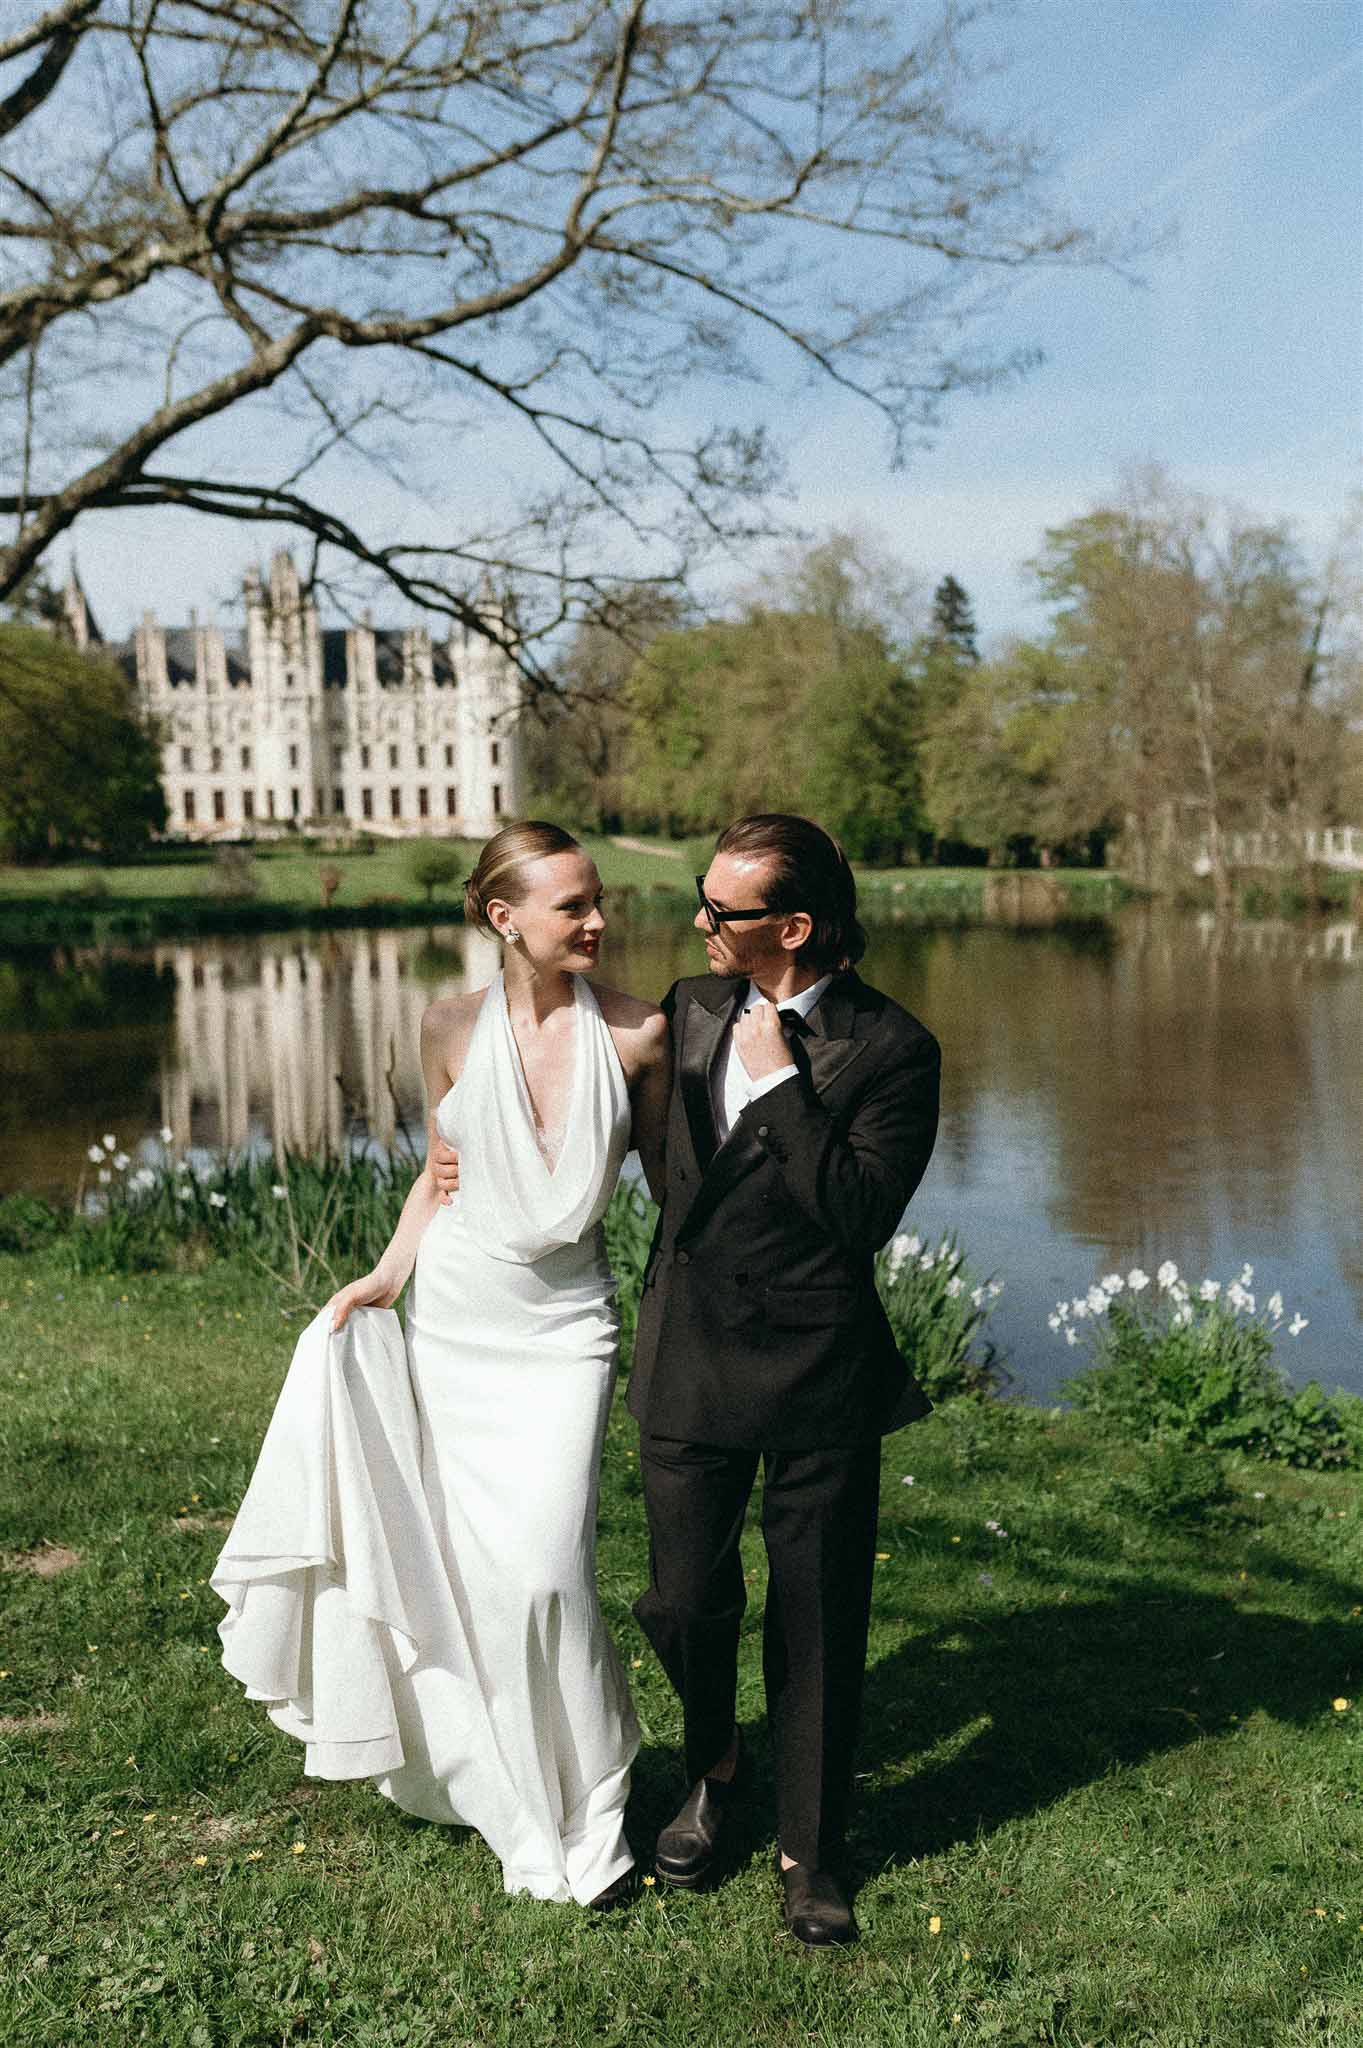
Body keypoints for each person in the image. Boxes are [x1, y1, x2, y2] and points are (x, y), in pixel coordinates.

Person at [212, 822, 671, 1908]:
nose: (599, 918)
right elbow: (440, 1172)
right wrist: (383, 1273)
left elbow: (678, 1185)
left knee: (551, 1571)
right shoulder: (444, 1024)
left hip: (566, 1326)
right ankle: (514, 1799)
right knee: (482, 1575)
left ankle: (592, 1795)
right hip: (456, 1318)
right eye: (574, 905)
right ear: (504, 917)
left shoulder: (641, 1031)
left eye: (598, 898)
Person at [626, 814, 940, 1947]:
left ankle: (812, 1847)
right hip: (686, 1352)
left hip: (815, 1368)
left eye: (723, 909)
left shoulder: (895, 1049)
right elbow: (641, 1148)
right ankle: (715, 1762)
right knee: (680, 1598)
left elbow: (858, 1213)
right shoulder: (687, 1004)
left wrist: (780, 1090)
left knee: (815, 1616)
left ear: (793, 927)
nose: (699, 922)